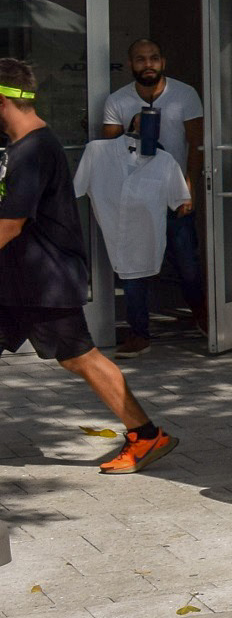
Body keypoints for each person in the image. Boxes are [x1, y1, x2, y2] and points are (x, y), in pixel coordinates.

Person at [0, 57, 175, 474]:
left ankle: (146, 435)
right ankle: (146, 434)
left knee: (81, 357)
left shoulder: (34, 150)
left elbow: (10, 224)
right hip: (16, 279)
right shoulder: (15, 148)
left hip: (44, 281)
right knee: (80, 357)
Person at [96, 39, 205, 335]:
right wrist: (132, 129)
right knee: (134, 268)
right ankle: (138, 333)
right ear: (131, 64)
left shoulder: (184, 94)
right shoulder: (117, 101)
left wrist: (190, 189)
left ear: (163, 62)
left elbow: (197, 146)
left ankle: (205, 319)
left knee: (187, 263)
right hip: (134, 198)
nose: (148, 65)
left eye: (153, 58)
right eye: (141, 59)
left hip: (173, 194)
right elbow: (108, 152)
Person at [72, 129, 192, 354]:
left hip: (149, 235)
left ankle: (143, 332)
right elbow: (75, 190)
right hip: (116, 232)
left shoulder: (164, 161)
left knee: (165, 273)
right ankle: (139, 333)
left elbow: (182, 201)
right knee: (134, 278)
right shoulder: (97, 153)